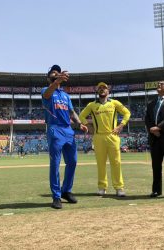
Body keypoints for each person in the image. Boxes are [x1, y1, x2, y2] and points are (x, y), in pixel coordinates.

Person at [42, 65, 88, 209]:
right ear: (48, 78)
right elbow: (48, 94)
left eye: (58, 73)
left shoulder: (65, 95)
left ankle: (66, 191)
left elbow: (72, 112)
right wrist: (56, 82)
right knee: (55, 164)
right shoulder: (46, 90)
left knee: (73, 162)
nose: (56, 75)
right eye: (53, 74)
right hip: (55, 129)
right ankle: (56, 196)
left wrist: (79, 123)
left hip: (68, 130)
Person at [79, 82, 131, 197]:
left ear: (108, 91)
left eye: (104, 88)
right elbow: (81, 116)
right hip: (98, 137)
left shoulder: (114, 103)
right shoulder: (92, 105)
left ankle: (119, 188)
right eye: (100, 88)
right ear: (97, 91)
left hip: (113, 136)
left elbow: (127, 113)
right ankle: (102, 187)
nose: (102, 89)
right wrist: (88, 125)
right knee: (101, 164)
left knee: (116, 163)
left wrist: (121, 125)